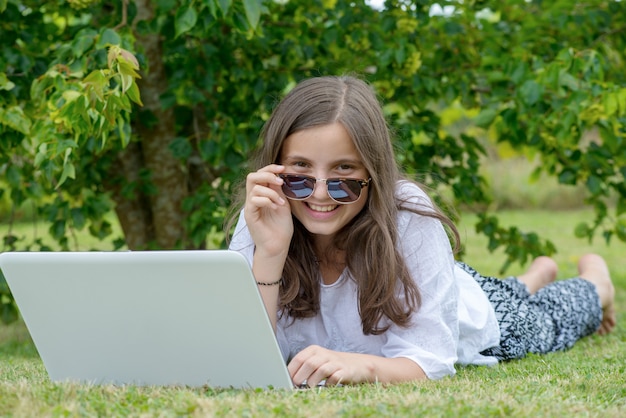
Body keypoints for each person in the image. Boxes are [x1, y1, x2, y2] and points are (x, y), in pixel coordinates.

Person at [227, 75, 616, 387]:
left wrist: (363, 366)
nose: (319, 193)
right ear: (276, 167)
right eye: (300, 172)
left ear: (372, 173)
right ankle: (531, 276)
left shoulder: (407, 212)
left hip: (471, 310)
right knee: (502, 288)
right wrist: (272, 253)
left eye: (344, 173)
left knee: (549, 321)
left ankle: (596, 281)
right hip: (443, 285)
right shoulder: (266, 208)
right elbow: (249, 357)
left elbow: (430, 360)